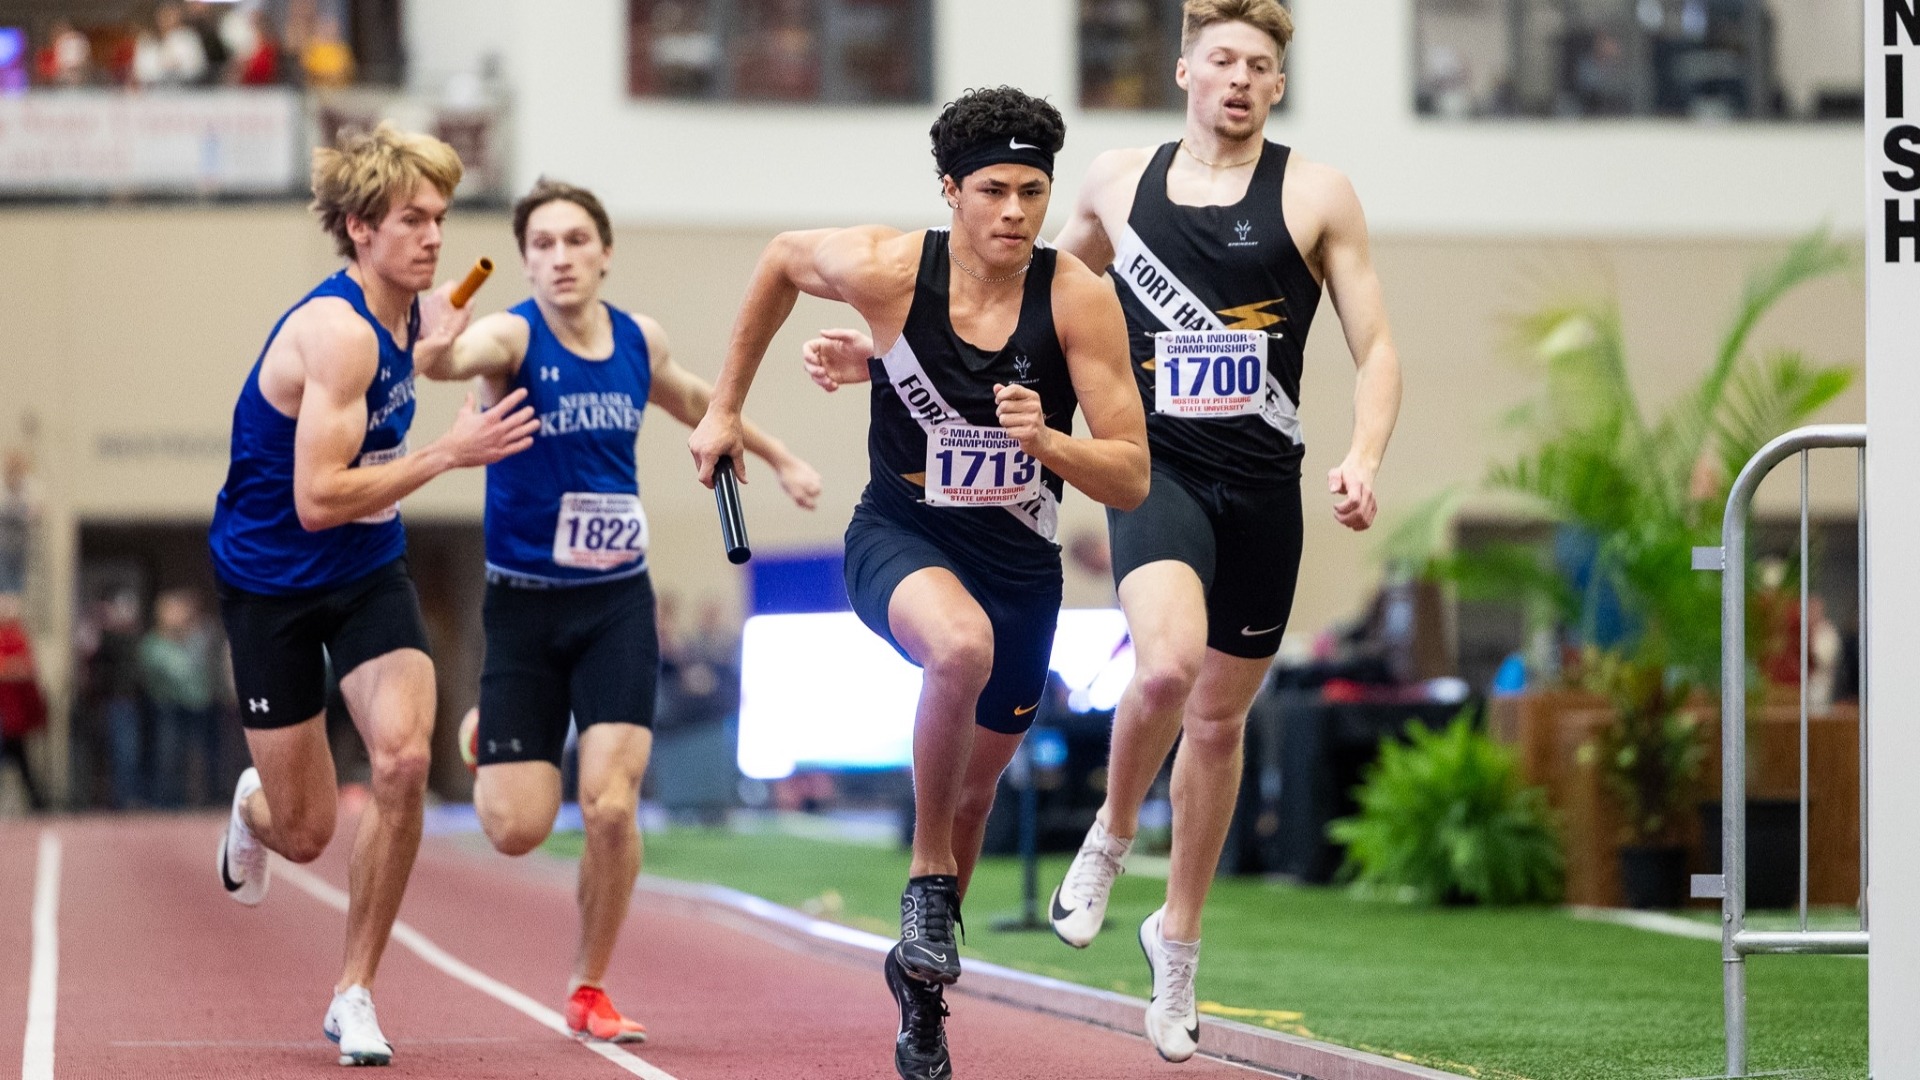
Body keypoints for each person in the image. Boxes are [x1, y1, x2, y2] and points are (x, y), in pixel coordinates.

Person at [803, 1, 1405, 1063]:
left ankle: (1176, 946)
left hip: (1266, 483)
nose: (1237, 77)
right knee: (1165, 670)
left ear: (1276, 83)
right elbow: (1017, 298)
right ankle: (1112, 834)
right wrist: (886, 356)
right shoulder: (1116, 185)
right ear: (1183, 68)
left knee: (1219, 726)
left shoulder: (1317, 194)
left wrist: (1365, 453)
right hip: (1158, 471)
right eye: (1220, 57)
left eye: (1258, 65)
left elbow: (1377, 340)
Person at [689, 86, 1150, 1080]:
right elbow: (777, 260)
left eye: (1034, 191)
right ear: (949, 191)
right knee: (959, 647)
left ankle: (922, 990)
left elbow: (1132, 470)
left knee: (979, 792)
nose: (1016, 213)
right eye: (993, 191)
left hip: (1020, 556)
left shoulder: (1075, 297)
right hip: (898, 532)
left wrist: (1051, 442)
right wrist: (725, 409)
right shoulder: (889, 269)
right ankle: (928, 887)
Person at [433, 178, 823, 1042]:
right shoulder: (509, 335)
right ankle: (487, 735)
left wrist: (783, 455)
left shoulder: (636, 340)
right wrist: (437, 347)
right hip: (526, 608)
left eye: (576, 241)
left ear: (605, 252)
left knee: (611, 805)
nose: (560, 258)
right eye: (542, 245)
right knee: (516, 829)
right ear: (526, 260)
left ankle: (589, 985)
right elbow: (449, 361)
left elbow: (696, 400)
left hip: (616, 601)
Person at [207, 121, 538, 1067]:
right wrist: (448, 452)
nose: (433, 237)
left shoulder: (407, 312)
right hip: (270, 581)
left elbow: (416, 374)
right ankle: (256, 808)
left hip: (363, 572)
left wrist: (437, 355)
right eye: (410, 221)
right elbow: (315, 500)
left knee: (399, 763)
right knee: (306, 831)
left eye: (439, 217)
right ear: (359, 230)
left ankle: (354, 990)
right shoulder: (338, 335)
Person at [139, 589, 221, 807]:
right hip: (168, 706)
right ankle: (167, 802)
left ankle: (201, 799)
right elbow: (166, 674)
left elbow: (208, 659)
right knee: (169, 754)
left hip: (199, 706)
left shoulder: (197, 638)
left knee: (200, 755)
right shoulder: (154, 644)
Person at [0, 593, 48, 812]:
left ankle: (37, 804)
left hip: (14, 716)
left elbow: (27, 668)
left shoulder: (18, 636)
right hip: (4, 713)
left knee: (22, 763)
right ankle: (37, 802)